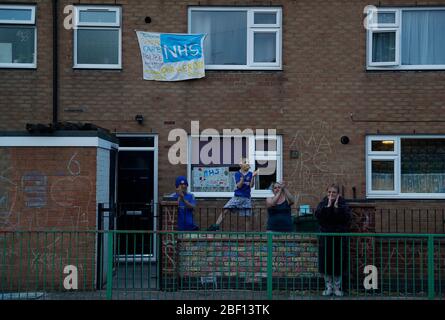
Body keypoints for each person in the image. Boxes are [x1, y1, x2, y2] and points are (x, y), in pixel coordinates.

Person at [315, 184, 351, 297]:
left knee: (338, 264)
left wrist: (336, 208)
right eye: (329, 192)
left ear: (338, 194)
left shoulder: (343, 204)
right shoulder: (323, 203)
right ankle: (328, 287)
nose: (331, 194)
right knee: (326, 264)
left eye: (334, 192)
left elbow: (346, 218)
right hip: (326, 239)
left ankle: (337, 287)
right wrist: (329, 206)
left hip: (339, 239)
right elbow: (318, 217)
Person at [208, 158, 258, 231]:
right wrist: (242, 179)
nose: (247, 164)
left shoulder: (250, 174)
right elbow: (239, 186)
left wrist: (253, 177)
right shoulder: (237, 174)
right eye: (245, 163)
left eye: (248, 163)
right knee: (225, 210)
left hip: (247, 197)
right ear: (241, 165)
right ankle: (216, 226)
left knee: (247, 216)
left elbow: (251, 186)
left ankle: (247, 234)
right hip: (237, 197)